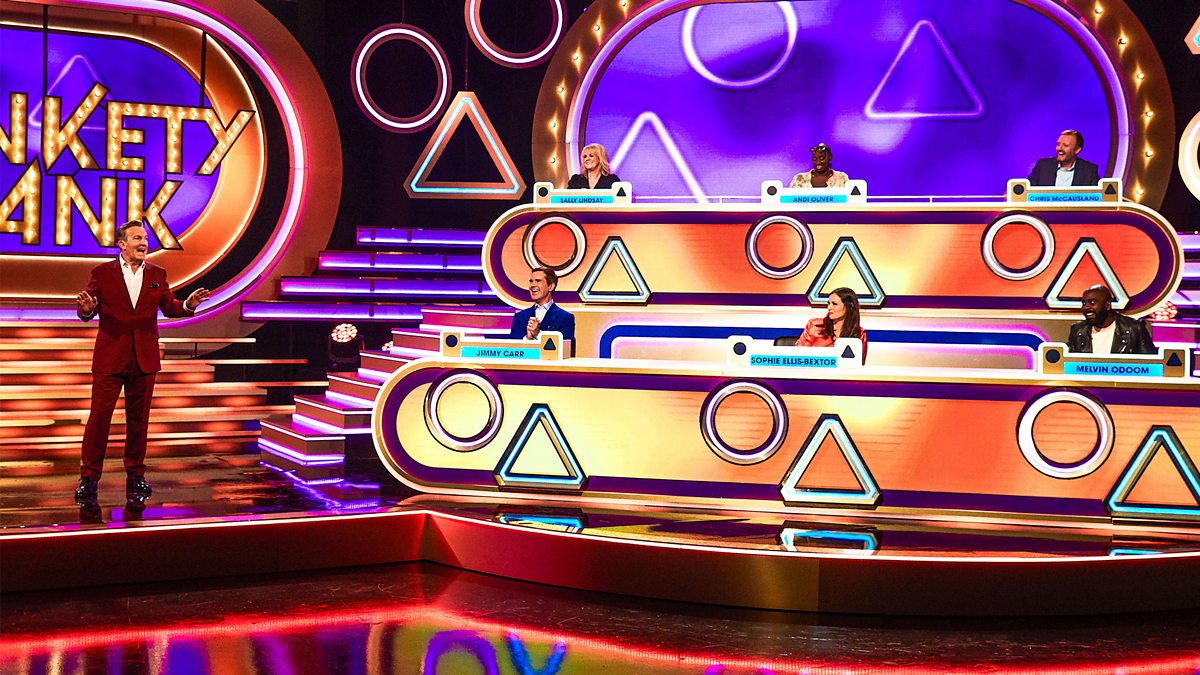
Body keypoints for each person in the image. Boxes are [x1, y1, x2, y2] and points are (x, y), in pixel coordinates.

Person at [74, 220, 210, 507]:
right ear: (122, 244)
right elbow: (89, 307)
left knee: (139, 422)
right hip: (110, 358)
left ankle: (136, 475)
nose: (144, 242)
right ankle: (89, 477)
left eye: (145, 238)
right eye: (137, 238)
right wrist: (86, 311)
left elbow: (170, 307)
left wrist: (188, 305)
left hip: (144, 359)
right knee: (99, 419)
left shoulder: (157, 274)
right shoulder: (102, 273)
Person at [1067, 285, 1156, 354]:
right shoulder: (1078, 330)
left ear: (1107, 306)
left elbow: (1151, 365)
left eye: (1092, 302)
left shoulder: (1134, 328)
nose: (1086, 307)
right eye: (1084, 303)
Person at [795, 287, 868, 361]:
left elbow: (859, 363)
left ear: (850, 306)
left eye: (834, 304)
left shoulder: (859, 333)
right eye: (829, 303)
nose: (829, 307)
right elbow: (798, 356)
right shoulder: (814, 326)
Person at [508, 266, 575, 345]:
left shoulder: (565, 318)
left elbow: (566, 348)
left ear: (551, 286)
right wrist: (528, 338)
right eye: (531, 281)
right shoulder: (520, 317)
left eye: (538, 281)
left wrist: (538, 334)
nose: (532, 285)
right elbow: (512, 348)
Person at [1028, 130, 1101, 186]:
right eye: (1058, 144)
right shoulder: (1042, 166)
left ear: (1077, 150)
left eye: (1065, 145)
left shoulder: (1089, 171)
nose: (1059, 148)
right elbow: (1026, 192)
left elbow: (1098, 197)